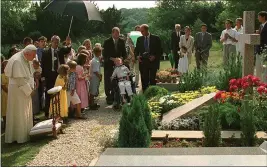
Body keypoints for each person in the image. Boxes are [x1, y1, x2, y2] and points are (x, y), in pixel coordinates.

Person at [4, 44, 37, 143]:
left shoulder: (25, 58)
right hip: (18, 90)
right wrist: (29, 91)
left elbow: (29, 73)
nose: (34, 57)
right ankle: (19, 137)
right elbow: (20, 79)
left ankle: (26, 134)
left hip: (24, 88)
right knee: (18, 112)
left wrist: (32, 85)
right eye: (33, 55)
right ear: (27, 53)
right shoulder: (17, 61)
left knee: (24, 112)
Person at [41, 35, 72, 118]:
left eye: (58, 42)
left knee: (59, 94)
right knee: (49, 93)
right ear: (51, 42)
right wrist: (43, 76)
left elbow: (67, 50)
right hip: (49, 76)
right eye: (55, 42)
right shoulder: (45, 52)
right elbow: (43, 65)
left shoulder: (60, 50)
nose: (56, 44)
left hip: (59, 75)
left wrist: (68, 43)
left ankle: (59, 112)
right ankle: (47, 113)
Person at [135, 24, 163, 92]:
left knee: (152, 79)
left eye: (142, 31)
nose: (141, 33)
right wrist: (137, 56)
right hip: (143, 62)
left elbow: (160, 50)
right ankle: (145, 93)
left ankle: (153, 93)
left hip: (153, 62)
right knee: (144, 79)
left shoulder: (156, 38)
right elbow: (136, 50)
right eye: (140, 31)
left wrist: (155, 56)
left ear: (147, 30)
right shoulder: (139, 39)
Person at [103, 27, 127, 106]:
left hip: (119, 65)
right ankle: (109, 97)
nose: (117, 35)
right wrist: (112, 59)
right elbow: (104, 54)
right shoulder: (107, 42)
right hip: (109, 65)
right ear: (112, 33)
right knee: (109, 81)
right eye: (116, 33)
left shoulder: (122, 41)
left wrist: (121, 59)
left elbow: (124, 54)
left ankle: (116, 97)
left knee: (117, 81)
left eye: (118, 33)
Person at [1, 60, 9, 129]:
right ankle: (6, 124)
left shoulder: (11, 74)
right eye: (5, 65)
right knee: (5, 109)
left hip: (12, 94)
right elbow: (3, 86)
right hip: (6, 94)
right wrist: (10, 92)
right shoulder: (2, 75)